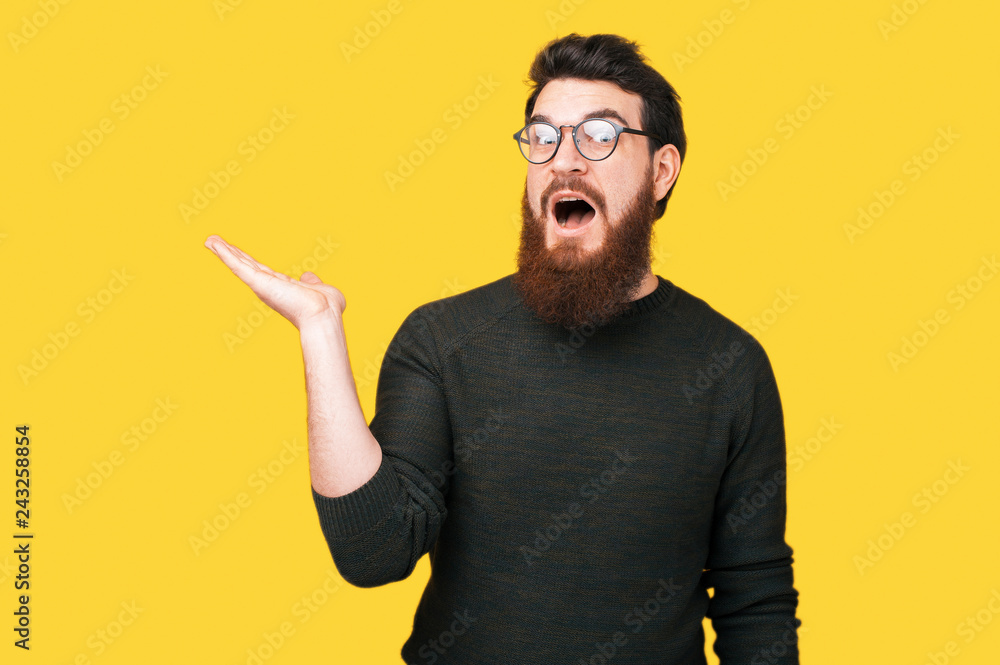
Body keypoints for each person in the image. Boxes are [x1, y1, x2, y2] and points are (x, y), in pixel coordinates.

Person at [205, 32, 801, 665]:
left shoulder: (730, 367)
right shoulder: (442, 342)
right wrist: (320, 335)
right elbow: (373, 553)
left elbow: (754, 601)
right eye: (544, 138)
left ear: (661, 171)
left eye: (598, 137)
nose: (564, 161)